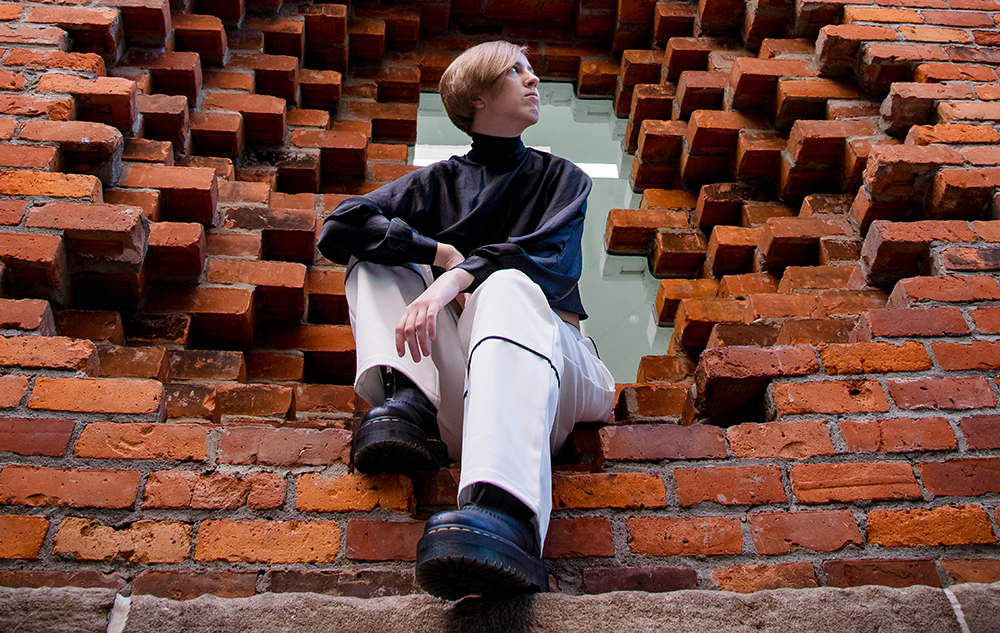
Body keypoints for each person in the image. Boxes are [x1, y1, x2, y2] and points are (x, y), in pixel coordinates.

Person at [317, 41, 615, 601]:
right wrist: (435, 252)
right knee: (374, 258)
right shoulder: (436, 182)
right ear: (476, 98)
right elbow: (341, 226)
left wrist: (457, 275)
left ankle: (506, 516)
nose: (533, 81)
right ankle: (404, 400)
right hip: (465, 399)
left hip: (560, 375)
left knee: (505, 287)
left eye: (531, 71)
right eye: (515, 71)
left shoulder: (563, 178)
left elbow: (542, 256)